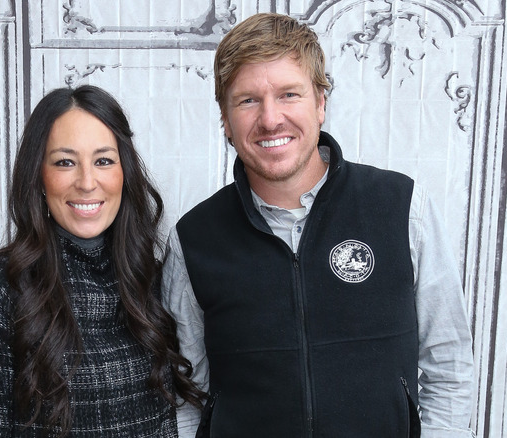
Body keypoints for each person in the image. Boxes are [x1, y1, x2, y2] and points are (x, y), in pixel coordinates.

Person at [162, 13, 475, 438]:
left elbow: (449, 366)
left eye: (289, 94)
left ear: (321, 102)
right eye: (248, 100)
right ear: (225, 119)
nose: (271, 119)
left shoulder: (402, 207)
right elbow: (187, 394)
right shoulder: (194, 239)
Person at [0, 85, 204, 437]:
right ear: (38, 175)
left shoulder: (153, 279)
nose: (86, 182)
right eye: (65, 162)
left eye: (103, 161)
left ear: (124, 173)